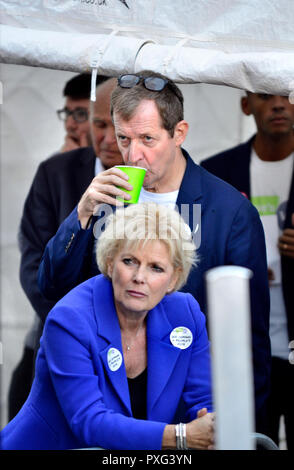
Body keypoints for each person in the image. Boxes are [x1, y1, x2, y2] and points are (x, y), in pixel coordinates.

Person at [38, 71, 271, 434]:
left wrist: (236, 426)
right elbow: (53, 287)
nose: (133, 154)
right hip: (108, 405)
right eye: (124, 138)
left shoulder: (228, 209)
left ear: (179, 133)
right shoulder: (107, 198)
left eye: (148, 138)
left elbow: (250, 334)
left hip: (190, 408)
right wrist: (80, 216)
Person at [1, 203, 214, 450]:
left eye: (156, 267)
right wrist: (181, 436)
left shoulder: (185, 313)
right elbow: (89, 422)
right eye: (129, 261)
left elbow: (204, 400)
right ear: (110, 263)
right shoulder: (69, 319)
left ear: (173, 279)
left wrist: (210, 427)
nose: (139, 277)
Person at [7, 76, 123, 420]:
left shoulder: (157, 179)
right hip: (56, 339)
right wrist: (74, 327)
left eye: (115, 127)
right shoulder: (55, 174)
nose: (105, 137)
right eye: (98, 123)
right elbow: (33, 265)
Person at [201, 92, 294, 448]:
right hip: (241, 352)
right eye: (266, 95)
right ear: (245, 105)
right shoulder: (215, 173)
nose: (279, 104)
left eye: (287, 93)